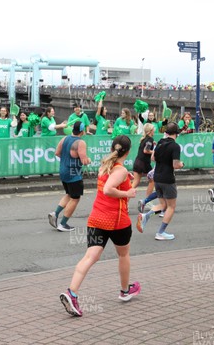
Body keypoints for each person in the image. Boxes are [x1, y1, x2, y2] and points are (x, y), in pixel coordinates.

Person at [60, 135, 140, 317]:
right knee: (123, 254)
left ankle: (72, 293)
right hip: (117, 221)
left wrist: (123, 179)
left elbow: (109, 182)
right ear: (128, 151)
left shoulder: (105, 165)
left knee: (90, 256)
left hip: (96, 219)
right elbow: (108, 189)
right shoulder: (120, 169)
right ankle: (125, 291)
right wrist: (127, 192)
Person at [47, 121, 92, 232]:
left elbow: (57, 153)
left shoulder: (65, 139)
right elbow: (84, 161)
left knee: (69, 194)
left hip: (63, 171)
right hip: (74, 174)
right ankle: (63, 224)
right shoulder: (80, 142)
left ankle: (55, 213)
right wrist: (89, 160)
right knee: (75, 198)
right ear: (82, 131)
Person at [147, 122, 182, 240]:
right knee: (171, 206)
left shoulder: (160, 142)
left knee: (163, 204)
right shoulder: (175, 146)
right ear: (177, 133)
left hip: (157, 177)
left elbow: (153, 158)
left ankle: (145, 215)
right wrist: (181, 164)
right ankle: (160, 232)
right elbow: (175, 165)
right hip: (168, 179)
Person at [132, 123, 155, 189]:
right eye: (153, 129)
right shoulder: (150, 139)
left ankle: (125, 197)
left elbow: (146, 147)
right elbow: (146, 150)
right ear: (150, 131)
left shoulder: (144, 139)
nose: (154, 131)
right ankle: (147, 198)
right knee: (153, 180)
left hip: (137, 161)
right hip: (144, 163)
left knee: (135, 182)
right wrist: (154, 151)